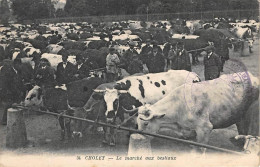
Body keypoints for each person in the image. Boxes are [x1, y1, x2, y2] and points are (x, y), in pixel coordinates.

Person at [1, 59, 24, 125]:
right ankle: (5, 120)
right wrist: (7, 91)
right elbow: (5, 82)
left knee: (13, 104)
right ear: (16, 64)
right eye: (20, 65)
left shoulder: (16, 71)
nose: (21, 66)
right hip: (9, 91)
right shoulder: (9, 71)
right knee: (9, 104)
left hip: (15, 91)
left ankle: (9, 119)